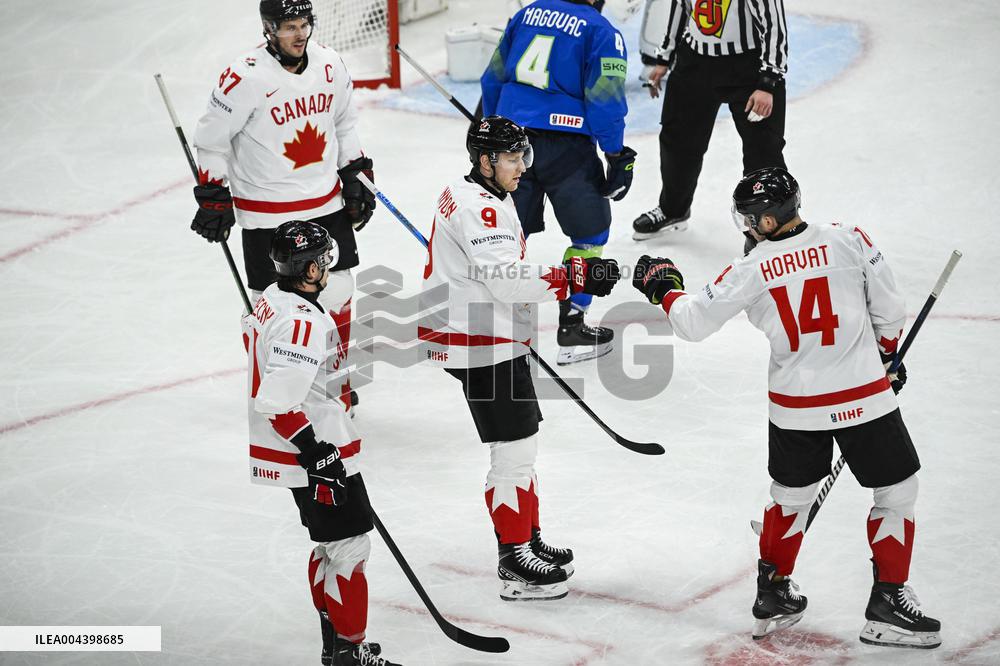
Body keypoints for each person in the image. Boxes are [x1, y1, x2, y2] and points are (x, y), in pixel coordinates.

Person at [631, 167, 941, 648]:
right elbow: (889, 307)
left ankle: (773, 592)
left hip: (796, 405)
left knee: (790, 498)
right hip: (863, 394)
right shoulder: (847, 237)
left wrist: (662, 287)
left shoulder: (751, 268)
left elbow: (692, 323)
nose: (748, 229)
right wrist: (887, 354)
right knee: (897, 492)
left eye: (750, 220)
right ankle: (888, 604)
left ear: (767, 222)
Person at [419, 117, 621, 600]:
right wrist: (575, 278)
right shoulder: (481, 210)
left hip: (486, 333)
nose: (522, 167)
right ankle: (514, 561)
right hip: (478, 340)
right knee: (511, 452)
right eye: (512, 158)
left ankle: (525, 540)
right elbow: (507, 280)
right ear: (485, 161)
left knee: (522, 444)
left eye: (521, 156)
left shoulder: (474, 193)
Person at [193, 0, 375, 411]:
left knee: (340, 288)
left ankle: (332, 376)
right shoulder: (244, 77)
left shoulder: (330, 65)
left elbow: (344, 124)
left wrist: (355, 173)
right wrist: (214, 196)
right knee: (271, 306)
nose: (299, 35)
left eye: (304, 25)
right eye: (289, 27)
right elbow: (211, 142)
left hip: (324, 203)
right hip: (266, 214)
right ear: (268, 29)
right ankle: (283, 388)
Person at [242, 220, 401, 666]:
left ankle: (336, 646)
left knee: (329, 546)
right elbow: (276, 401)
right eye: (323, 259)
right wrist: (316, 451)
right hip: (313, 452)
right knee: (350, 547)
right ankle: (351, 651)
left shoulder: (272, 299)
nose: (328, 264)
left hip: (299, 450)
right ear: (309, 269)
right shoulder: (301, 322)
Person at [481, 0, 636, 365]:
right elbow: (605, 100)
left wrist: (495, 132)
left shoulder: (527, 13)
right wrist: (615, 155)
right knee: (590, 235)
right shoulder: (601, 31)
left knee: (508, 235)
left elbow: (492, 77)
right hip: (567, 149)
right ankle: (572, 325)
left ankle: (500, 330)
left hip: (512, 142)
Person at [632, 0, 788, 242]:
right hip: (695, 62)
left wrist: (768, 81)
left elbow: (773, 22)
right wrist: (664, 58)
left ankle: (771, 227)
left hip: (748, 67)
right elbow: (680, 7)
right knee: (678, 141)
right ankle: (674, 209)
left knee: (763, 151)